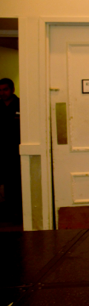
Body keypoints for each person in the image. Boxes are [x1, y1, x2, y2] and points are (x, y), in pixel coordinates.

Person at [0, 78, 21, 223]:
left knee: (16, 182)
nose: (2, 93)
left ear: (12, 89)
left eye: (5, 89)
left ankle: (17, 213)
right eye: (0, 90)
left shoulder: (21, 104)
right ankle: (5, 213)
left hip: (16, 150)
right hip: (1, 150)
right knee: (3, 182)